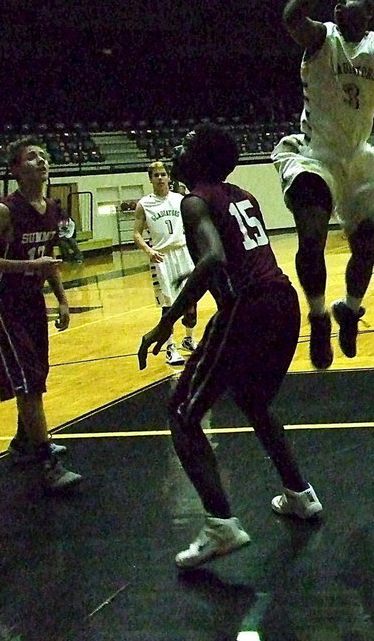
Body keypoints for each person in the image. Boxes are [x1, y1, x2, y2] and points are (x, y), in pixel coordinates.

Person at [138, 125, 322, 569]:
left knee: (182, 413)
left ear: (199, 161)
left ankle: (221, 524)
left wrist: (166, 322)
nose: (176, 151)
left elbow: (215, 258)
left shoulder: (194, 200)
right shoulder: (242, 194)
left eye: (184, 146)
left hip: (248, 304)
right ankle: (300, 494)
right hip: (283, 300)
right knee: (253, 401)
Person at [271, 0, 374, 369]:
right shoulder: (320, 38)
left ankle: (349, 306)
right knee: (311, 236)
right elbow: (291, 16)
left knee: (365, 246)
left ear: (366, 13)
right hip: (315, 153)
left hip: (356, 158)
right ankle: (317, 316)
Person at [0, 137, 82, 493]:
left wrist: (62, 300)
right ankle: (48, 462)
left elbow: (48, 260)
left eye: (44, 156)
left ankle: (23, 442)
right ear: (16, 169)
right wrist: (27, 265)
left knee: (38, 376)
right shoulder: (4, 211)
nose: (41, 161)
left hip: (33, 301)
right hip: (3, 304)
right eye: (32, 157)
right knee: (28, 381)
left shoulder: (52, 207)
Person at [133, 162, 198, 366]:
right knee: (168, 306)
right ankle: (170, 348)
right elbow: (136, 233)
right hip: (162, 257)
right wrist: (148, 250)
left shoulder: (181, 200)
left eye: (163, 174)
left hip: (183, 252)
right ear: (150, 179)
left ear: (169, 177)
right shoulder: (144, 204)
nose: (160, 178)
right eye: (156, 175)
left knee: (191, 303)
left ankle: (189, 338)